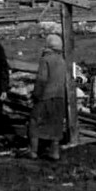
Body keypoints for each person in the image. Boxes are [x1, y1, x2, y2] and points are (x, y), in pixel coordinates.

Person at [28, 33, 66, 161]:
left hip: (45, 97)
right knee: (56, 124)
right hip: (59, 97)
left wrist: (35, 95)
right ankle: (54, 152)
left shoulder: (45, 60)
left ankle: (33, 151)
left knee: (35, 121)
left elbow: (42, 80)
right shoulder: (62, 61)